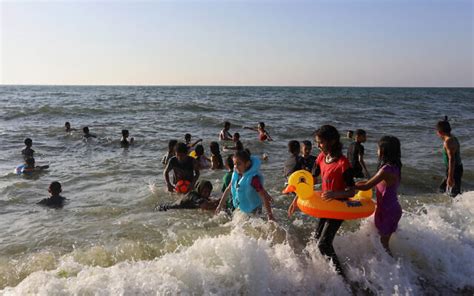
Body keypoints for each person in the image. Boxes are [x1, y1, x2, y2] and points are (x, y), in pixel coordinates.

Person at [288, 125, 355, 277]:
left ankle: (342, 278)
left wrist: (335, 194)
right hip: (326, 205)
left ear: (332, 141)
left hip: (338, 207)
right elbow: (309, 181)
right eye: (317, 142)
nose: (317, 146)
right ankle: (323, 272)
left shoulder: (343, 164)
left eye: (320, 142)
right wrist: (296, 199)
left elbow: (352, 190)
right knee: (316, 239)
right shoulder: (321, 158)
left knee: (324, 244)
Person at [355, 136, 402, 256]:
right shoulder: (395, 167)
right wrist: (353, 184)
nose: (377, 151)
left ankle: (394, 270)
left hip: (388, 211)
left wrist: (350, 186)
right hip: (390, 209)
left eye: (378, 148)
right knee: (383, 243)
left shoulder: (385, 169)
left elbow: (366, 186)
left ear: (383, 151)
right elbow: (367, 183)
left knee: (383, 244)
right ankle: (390, 267)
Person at [216, 150, 275, 221]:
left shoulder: (253, 178)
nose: (236, 167)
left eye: (239, 164)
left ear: (247, 164)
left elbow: (263, 196)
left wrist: (270, 215)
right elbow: (228, 189)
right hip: (241, 208)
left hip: (254, 210)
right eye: (234, 164)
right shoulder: (235, 175)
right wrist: (220, 205)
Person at [436, 117, 463, 197]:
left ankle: (460, 207)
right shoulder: (452, 137)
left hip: (454, 169)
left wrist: (450, 177)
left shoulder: (448, 142)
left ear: (440, 132)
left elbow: (452, 159)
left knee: (454, 193)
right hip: (455, 168)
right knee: (442, 189)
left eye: (437, 131)